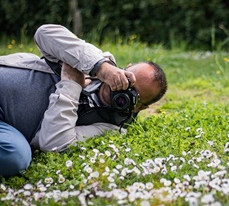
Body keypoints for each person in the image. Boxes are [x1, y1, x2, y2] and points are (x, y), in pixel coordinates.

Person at [0, 24, 167, 177]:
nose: (123, 88)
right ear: (127, 67)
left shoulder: (111, 126)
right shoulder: (95, 58)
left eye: (133, 94)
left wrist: (71, 84)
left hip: (5, 126)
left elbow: (53, 144)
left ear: (141, 107)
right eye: (128, 79)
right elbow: (44, 33)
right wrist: (101, 67)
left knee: (16, 158)